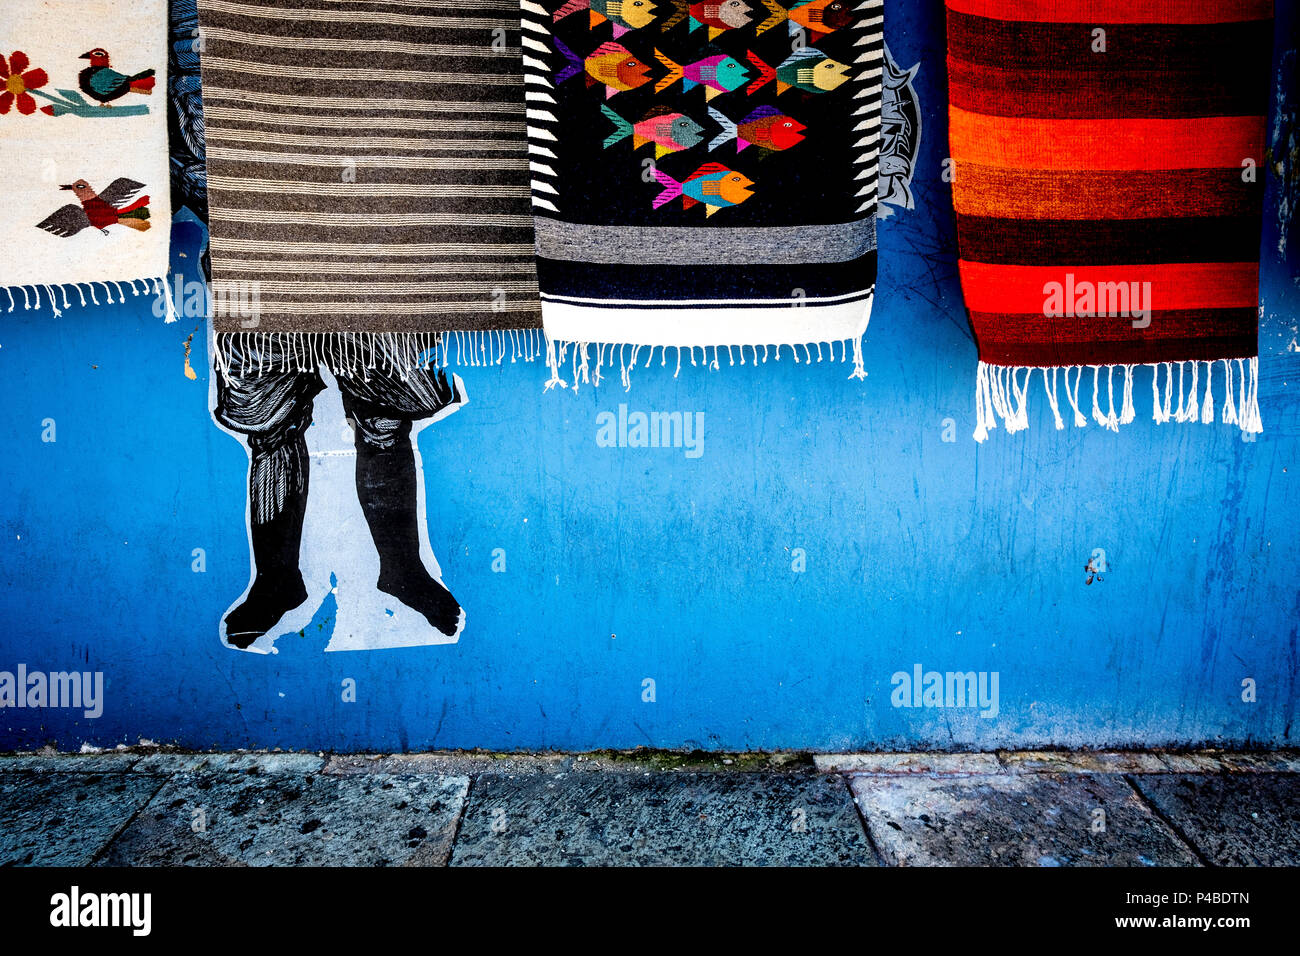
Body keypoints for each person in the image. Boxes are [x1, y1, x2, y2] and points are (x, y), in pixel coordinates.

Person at [214, 332, 466, 650]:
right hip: (265, 288)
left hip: (368, 285)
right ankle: (276, 582)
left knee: (386, 411)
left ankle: (403, 570)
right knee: (269, 423)